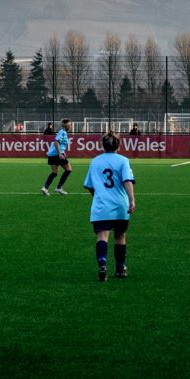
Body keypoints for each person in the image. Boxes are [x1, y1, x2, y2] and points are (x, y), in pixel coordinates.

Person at [84, 132, 136, 281]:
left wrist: (98, 196)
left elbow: (89, 185)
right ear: (119, 145)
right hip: (120, 205)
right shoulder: (123, 160)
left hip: (101, 206)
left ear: (103, 145)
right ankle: (120, 268)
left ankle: (102, 265)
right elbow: (127, 180)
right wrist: (132, 199)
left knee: (102, 235)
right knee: (120, 236)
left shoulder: (95, 161)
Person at [41, 118, 73, 196]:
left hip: (52, 155)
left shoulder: (62, 132)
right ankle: (59, 188)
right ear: (67, 126)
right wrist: (59, 153)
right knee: (68, 169)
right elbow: (56, 142)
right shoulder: (63, 133)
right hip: (58, 154)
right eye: (70, 125)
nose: (71, 126)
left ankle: (45, 188)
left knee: (55, 173)